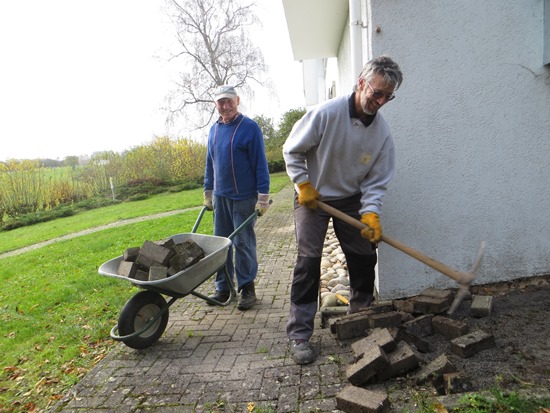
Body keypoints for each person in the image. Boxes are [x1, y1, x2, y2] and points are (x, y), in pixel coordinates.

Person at [282, 55, 403, 364]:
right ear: (361, 83)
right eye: (377, 92)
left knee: (364, 254)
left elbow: (377, 181)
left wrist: (370, 212)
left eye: (387, 96)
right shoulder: (326, 114)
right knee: (308, 262)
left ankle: (359, 317)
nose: (380, 101)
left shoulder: (382, 135)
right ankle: (299, 334)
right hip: (313, 196)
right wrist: (303, 185)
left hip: (350, 198)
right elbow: (292, 149)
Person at [203, 85, 270, 311]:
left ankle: (247, 288)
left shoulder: (249, 128)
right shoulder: (213, 130)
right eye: (220, 102)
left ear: (237, 100)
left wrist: (262, 198)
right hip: (221, 199)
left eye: (229, 101)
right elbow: (210, 164)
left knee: (243, 244)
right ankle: (223, 288)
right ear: (216, 105)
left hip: (243, 198)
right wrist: (208, 192)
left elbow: (261, 164)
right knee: (220, 245)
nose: (225, 105)